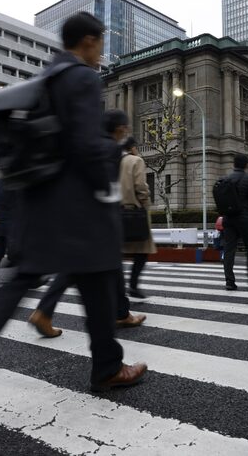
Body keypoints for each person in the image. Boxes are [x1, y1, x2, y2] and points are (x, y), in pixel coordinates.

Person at [0, 12, 147, 434]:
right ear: (86, 41)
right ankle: (107, 367)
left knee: (19, 293)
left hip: (37, 206)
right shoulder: (81, 79)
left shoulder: (44, 81)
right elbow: (84, 146)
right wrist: (107, 193)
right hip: (78, 209)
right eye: (100, 43)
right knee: (100, 275)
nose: (101, 52)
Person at [28, 110, 146, 337]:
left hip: (73, 215)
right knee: (90, 268)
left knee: (82, 268)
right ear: (119, 128)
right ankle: (114, 321)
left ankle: (120, 313)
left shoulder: (85, 144)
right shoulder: (110, 148)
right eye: (125, 126)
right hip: (96, 220)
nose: (127, 130)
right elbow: (107, 188)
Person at [221, 154, 248, 290]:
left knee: (229, 249)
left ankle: (229, 281)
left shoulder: (226, 179)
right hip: (245, 219)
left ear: (234, 164)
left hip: (228, 218)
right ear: (245, 165)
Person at [120, 137, 156, 298]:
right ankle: (133, 285)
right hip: (134, 212)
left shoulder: (113, 160)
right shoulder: (136, 161)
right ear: (133, 147)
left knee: (117, 252)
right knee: (142, 251)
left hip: (115, 212)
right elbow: (141, 187)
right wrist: (144, 201)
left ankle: (117, 287)